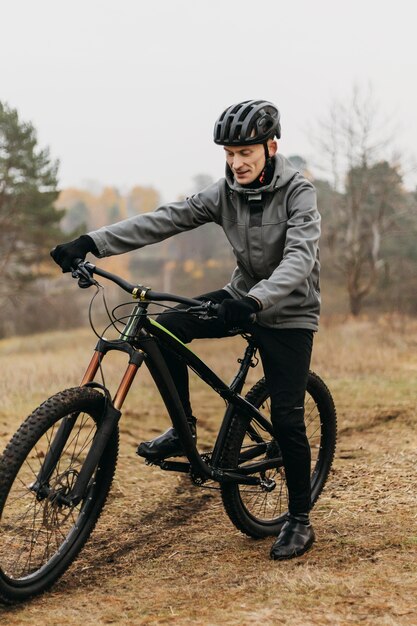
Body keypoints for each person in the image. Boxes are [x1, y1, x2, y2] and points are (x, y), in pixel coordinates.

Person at [51, 99, 321, 561]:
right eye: (229, 154)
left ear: (271, 147)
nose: (236, 163)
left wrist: (255, 301)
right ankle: (184, 430)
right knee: (162, 329)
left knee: (288, 418)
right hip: (239, 296)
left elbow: (300, 258)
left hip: (288, 312)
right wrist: (92, 242)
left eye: (246, 154)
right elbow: (164, 220)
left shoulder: (299, 193)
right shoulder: (224, 192)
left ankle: (298, 519)